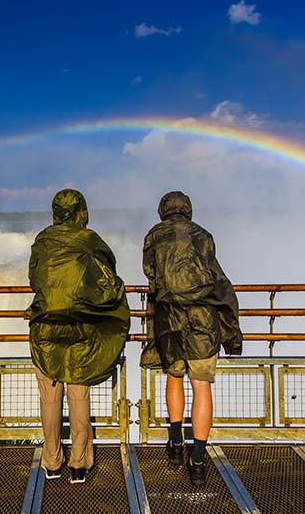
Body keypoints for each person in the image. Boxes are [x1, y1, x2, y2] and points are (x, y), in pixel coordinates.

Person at [25, 189, 130, 483]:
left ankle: (52, 461)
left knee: (50, 396)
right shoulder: (89, 240)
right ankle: (79, 464)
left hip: (45, 326)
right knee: (78, 392)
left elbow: (34, 279)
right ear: (82, 211)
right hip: (81, 326)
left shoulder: (42, 240)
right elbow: (108, 274)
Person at [141, 191, 242, 486]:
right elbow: (217, 279)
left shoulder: (154, 235)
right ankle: (197, 459)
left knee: (174, 378)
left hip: (169, 319)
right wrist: (232, 334)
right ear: (188, 210)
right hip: (202, 321)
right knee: (201, 386)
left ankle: (175, 443)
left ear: (163, 210)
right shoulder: (203, 236)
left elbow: (150, 272)